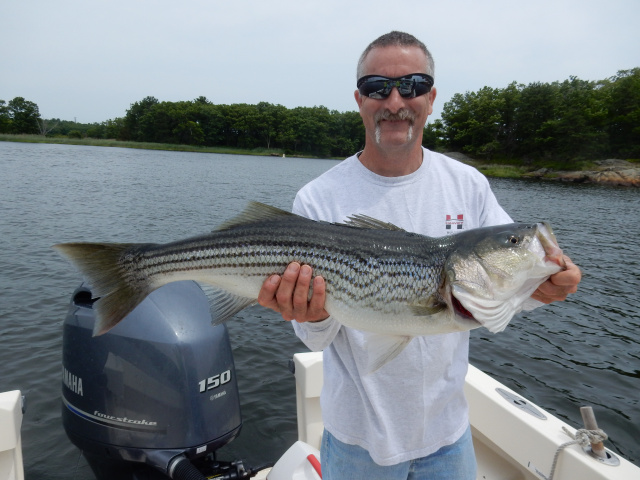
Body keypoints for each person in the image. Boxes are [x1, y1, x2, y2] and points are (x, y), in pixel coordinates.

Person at [258, 31, 581, 480]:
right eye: (377, 87)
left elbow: (498, 288)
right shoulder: (319, 198)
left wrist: (544, 287)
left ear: (431, 98)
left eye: (411, 85)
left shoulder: (468, 184)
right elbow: (315, 339)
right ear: (359, 99)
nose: (395, 101)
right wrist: (309, 316)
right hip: (358, 440)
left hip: (450, 435)